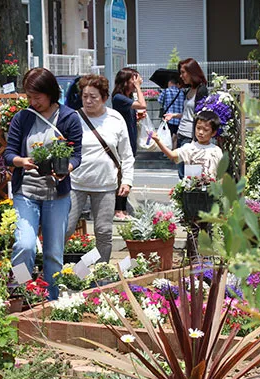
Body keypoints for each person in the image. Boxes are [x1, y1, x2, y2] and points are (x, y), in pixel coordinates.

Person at [4, 67, 82, 300]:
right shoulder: (22, 118)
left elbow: (76, 155)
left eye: (36, 97)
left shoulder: (69, 118)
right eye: (29, 97)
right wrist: (21, 161)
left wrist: (66, 169)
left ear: (50, 93)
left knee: (54, 253)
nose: (32, 102)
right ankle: (21, 292)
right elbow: (8, 154)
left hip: (57, 195)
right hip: (26, 192)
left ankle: (52, 299)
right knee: (24, 245)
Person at [67, 75, 135, 263]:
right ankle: (54, 269)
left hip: (106, 185)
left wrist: (127, 180)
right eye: (85, 96)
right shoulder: (73, 117)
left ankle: (100, 269)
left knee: (104, 231)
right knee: (66, 228)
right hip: (75, 183)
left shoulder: (115, 118)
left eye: (94, 97)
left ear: (104, 97)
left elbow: (127, 154)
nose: (88, 101)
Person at [152, 110, 223, 261]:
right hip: (191, 195)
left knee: (207, 227)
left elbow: (220, 174)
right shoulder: (188, 148)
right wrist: (158, 141)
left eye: (206, 129)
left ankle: (206, 259)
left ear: (214, 132)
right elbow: (172, 156)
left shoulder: (216, 151)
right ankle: (194, 260)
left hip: (209, 195)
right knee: (193, 227)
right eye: (198, 128)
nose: (201, 132)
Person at [111, 68, 146, 221]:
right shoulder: (118, 97)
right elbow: (143, 104)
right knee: (121, 177)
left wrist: (136, 118)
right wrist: (139, 87)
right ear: (125, 81)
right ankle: (118, 209)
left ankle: (122, 209)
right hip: (121, 145)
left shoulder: (127, 97)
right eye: (133, 80)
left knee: (126, 176)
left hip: (130, 142)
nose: (135, 83)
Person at [167, 58, 208, 179]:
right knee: (181, 172)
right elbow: (189, 112)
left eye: (183, 72)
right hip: (181, 134)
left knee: (189, 174)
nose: (181, 76)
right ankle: (184, 197)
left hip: (190, 137)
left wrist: (196, 140)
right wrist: (175, 115)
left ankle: (188, 197)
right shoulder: (189, 90)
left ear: (192, 72)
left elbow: (201, 115)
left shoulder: (201, 90)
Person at [158, 75, 185, 144]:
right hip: (178, 118)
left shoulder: (166, 91)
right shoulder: (181, 92)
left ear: (169, 83)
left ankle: (167, 152)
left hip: (168, 118)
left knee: (167, 136)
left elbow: (160, 101)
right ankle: (174, 151)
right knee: (176, 136)